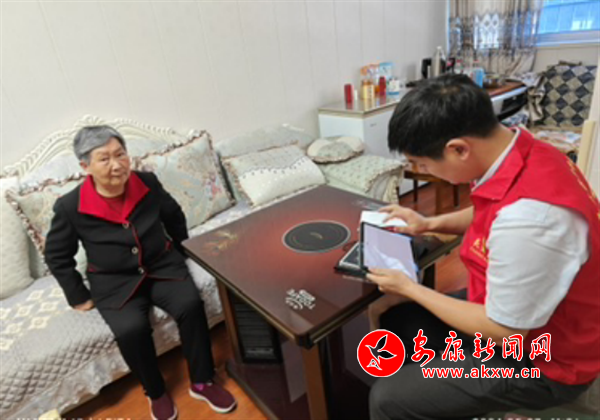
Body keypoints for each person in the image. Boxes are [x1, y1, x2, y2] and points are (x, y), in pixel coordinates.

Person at [366, 74, 600, 419]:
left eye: (424, 165)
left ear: (459, 149)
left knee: (387, 399)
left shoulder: (531, 220)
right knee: (397, 316)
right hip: (516, 311)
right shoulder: (523, 150)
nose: (423, 171)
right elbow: (489, 208)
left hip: (546, 360)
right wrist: (428, 223)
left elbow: (504, 331)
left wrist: (410, 288)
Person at [44, 126, 237, 420]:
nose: (117, 164)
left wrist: (184, 249)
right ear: (85, 166)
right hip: (113, 281)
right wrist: (78, 296)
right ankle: (155, 392)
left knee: (190, 305)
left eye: (120, 154)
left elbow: (173, 215)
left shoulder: (146, 183)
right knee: (130, 330)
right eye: (104, 158)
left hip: (162, 265)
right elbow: (57, 255)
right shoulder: (70, 206)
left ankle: (202, 381)